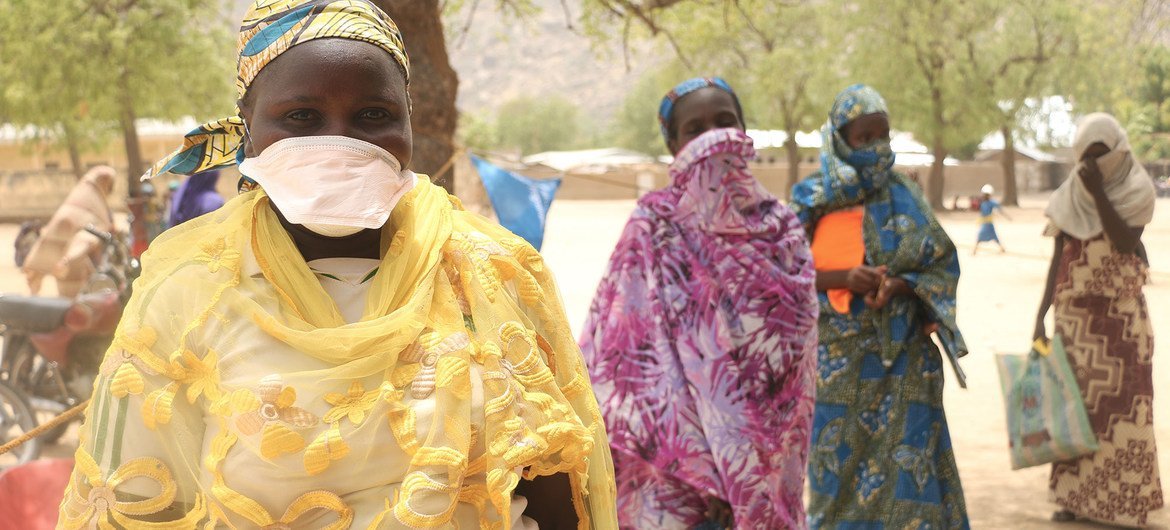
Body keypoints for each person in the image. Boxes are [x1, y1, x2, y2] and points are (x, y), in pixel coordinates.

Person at [57, 2, 618, 528]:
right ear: (247, 125)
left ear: (408, 124)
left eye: (373, 115)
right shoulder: (189, 286)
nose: (340, 142)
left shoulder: (491, 271)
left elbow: (555, 479)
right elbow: (133, 499)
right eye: (302, 115)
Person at [579, 77, 820, 529]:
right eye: (695, 129)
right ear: (673, 145)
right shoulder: (654, 226)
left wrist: (747, 469)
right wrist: (708, 471)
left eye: (724, 122)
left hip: (768, 465)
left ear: (745, 130)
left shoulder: (780, 228)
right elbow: (624, 358)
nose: (712, 137)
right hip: (675, 471)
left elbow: (795, 366)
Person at [791, 84, 969, 529]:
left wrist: (901, 285)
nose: (875, 147)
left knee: (910, 477)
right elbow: (781, 277)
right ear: (838, 138)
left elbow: (940, 263)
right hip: (837, 367)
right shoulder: (810, 199)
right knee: (838, 478)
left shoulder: (905, 192)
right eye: (863, 137)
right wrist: (842, 279)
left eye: (882, 135)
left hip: (905, 365)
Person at [1034, 112, 1163, 527]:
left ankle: (1123, 504)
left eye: (1101, 155)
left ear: (1119, 151)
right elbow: (1057, 262)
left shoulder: (1138, 191)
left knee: (1125, 412)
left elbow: (1126, 242)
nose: (1092, 166)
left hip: (1123, 320)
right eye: (1085, 158)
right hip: (1074, 320)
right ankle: (1074, 499)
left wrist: (1099, 194)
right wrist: (1039, 318)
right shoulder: (1068, 197)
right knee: (1073, 413)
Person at [21, 165, 116, 298]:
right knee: (74, 301)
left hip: (64, 258)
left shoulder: (80, 195)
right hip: (75, 263)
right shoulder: (95, 202)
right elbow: (91, 236)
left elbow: (46, 242)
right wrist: (67, 260)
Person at [972, 183, 1012, 255]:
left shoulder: (992, 202)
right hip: (984, 222)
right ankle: (1002, 248)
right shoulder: (982, 202)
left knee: (983, 235)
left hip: (988, 223)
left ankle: (974, 250)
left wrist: (1007, 217)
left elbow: (1000, 210)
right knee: (988, 236)